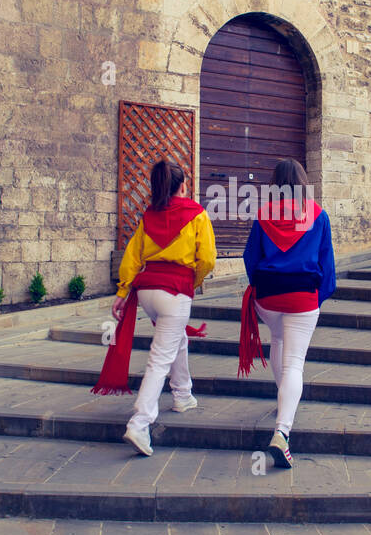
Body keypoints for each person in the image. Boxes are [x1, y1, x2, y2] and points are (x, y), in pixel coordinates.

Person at [92, 159, 216, 457]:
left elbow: (132, 258)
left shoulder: (149, 216)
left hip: (147, 291)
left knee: (176, 341)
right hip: (175, 291)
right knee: (160, 358)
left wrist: (123, 291)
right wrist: (192, 282)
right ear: (183, 186)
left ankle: (183, 394)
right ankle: (140, 421)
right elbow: (209, 258)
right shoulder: (197, 214)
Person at [239, 158, 336, 468]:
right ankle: (282, 431)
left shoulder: (263, 216)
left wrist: (260, 286)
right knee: (294, 363)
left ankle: (284, 401)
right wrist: (317, 299)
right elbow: (327, 266)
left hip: (268, 299)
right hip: (301, 299)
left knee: (278, 340)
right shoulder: (318, 216)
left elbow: (250, 258)